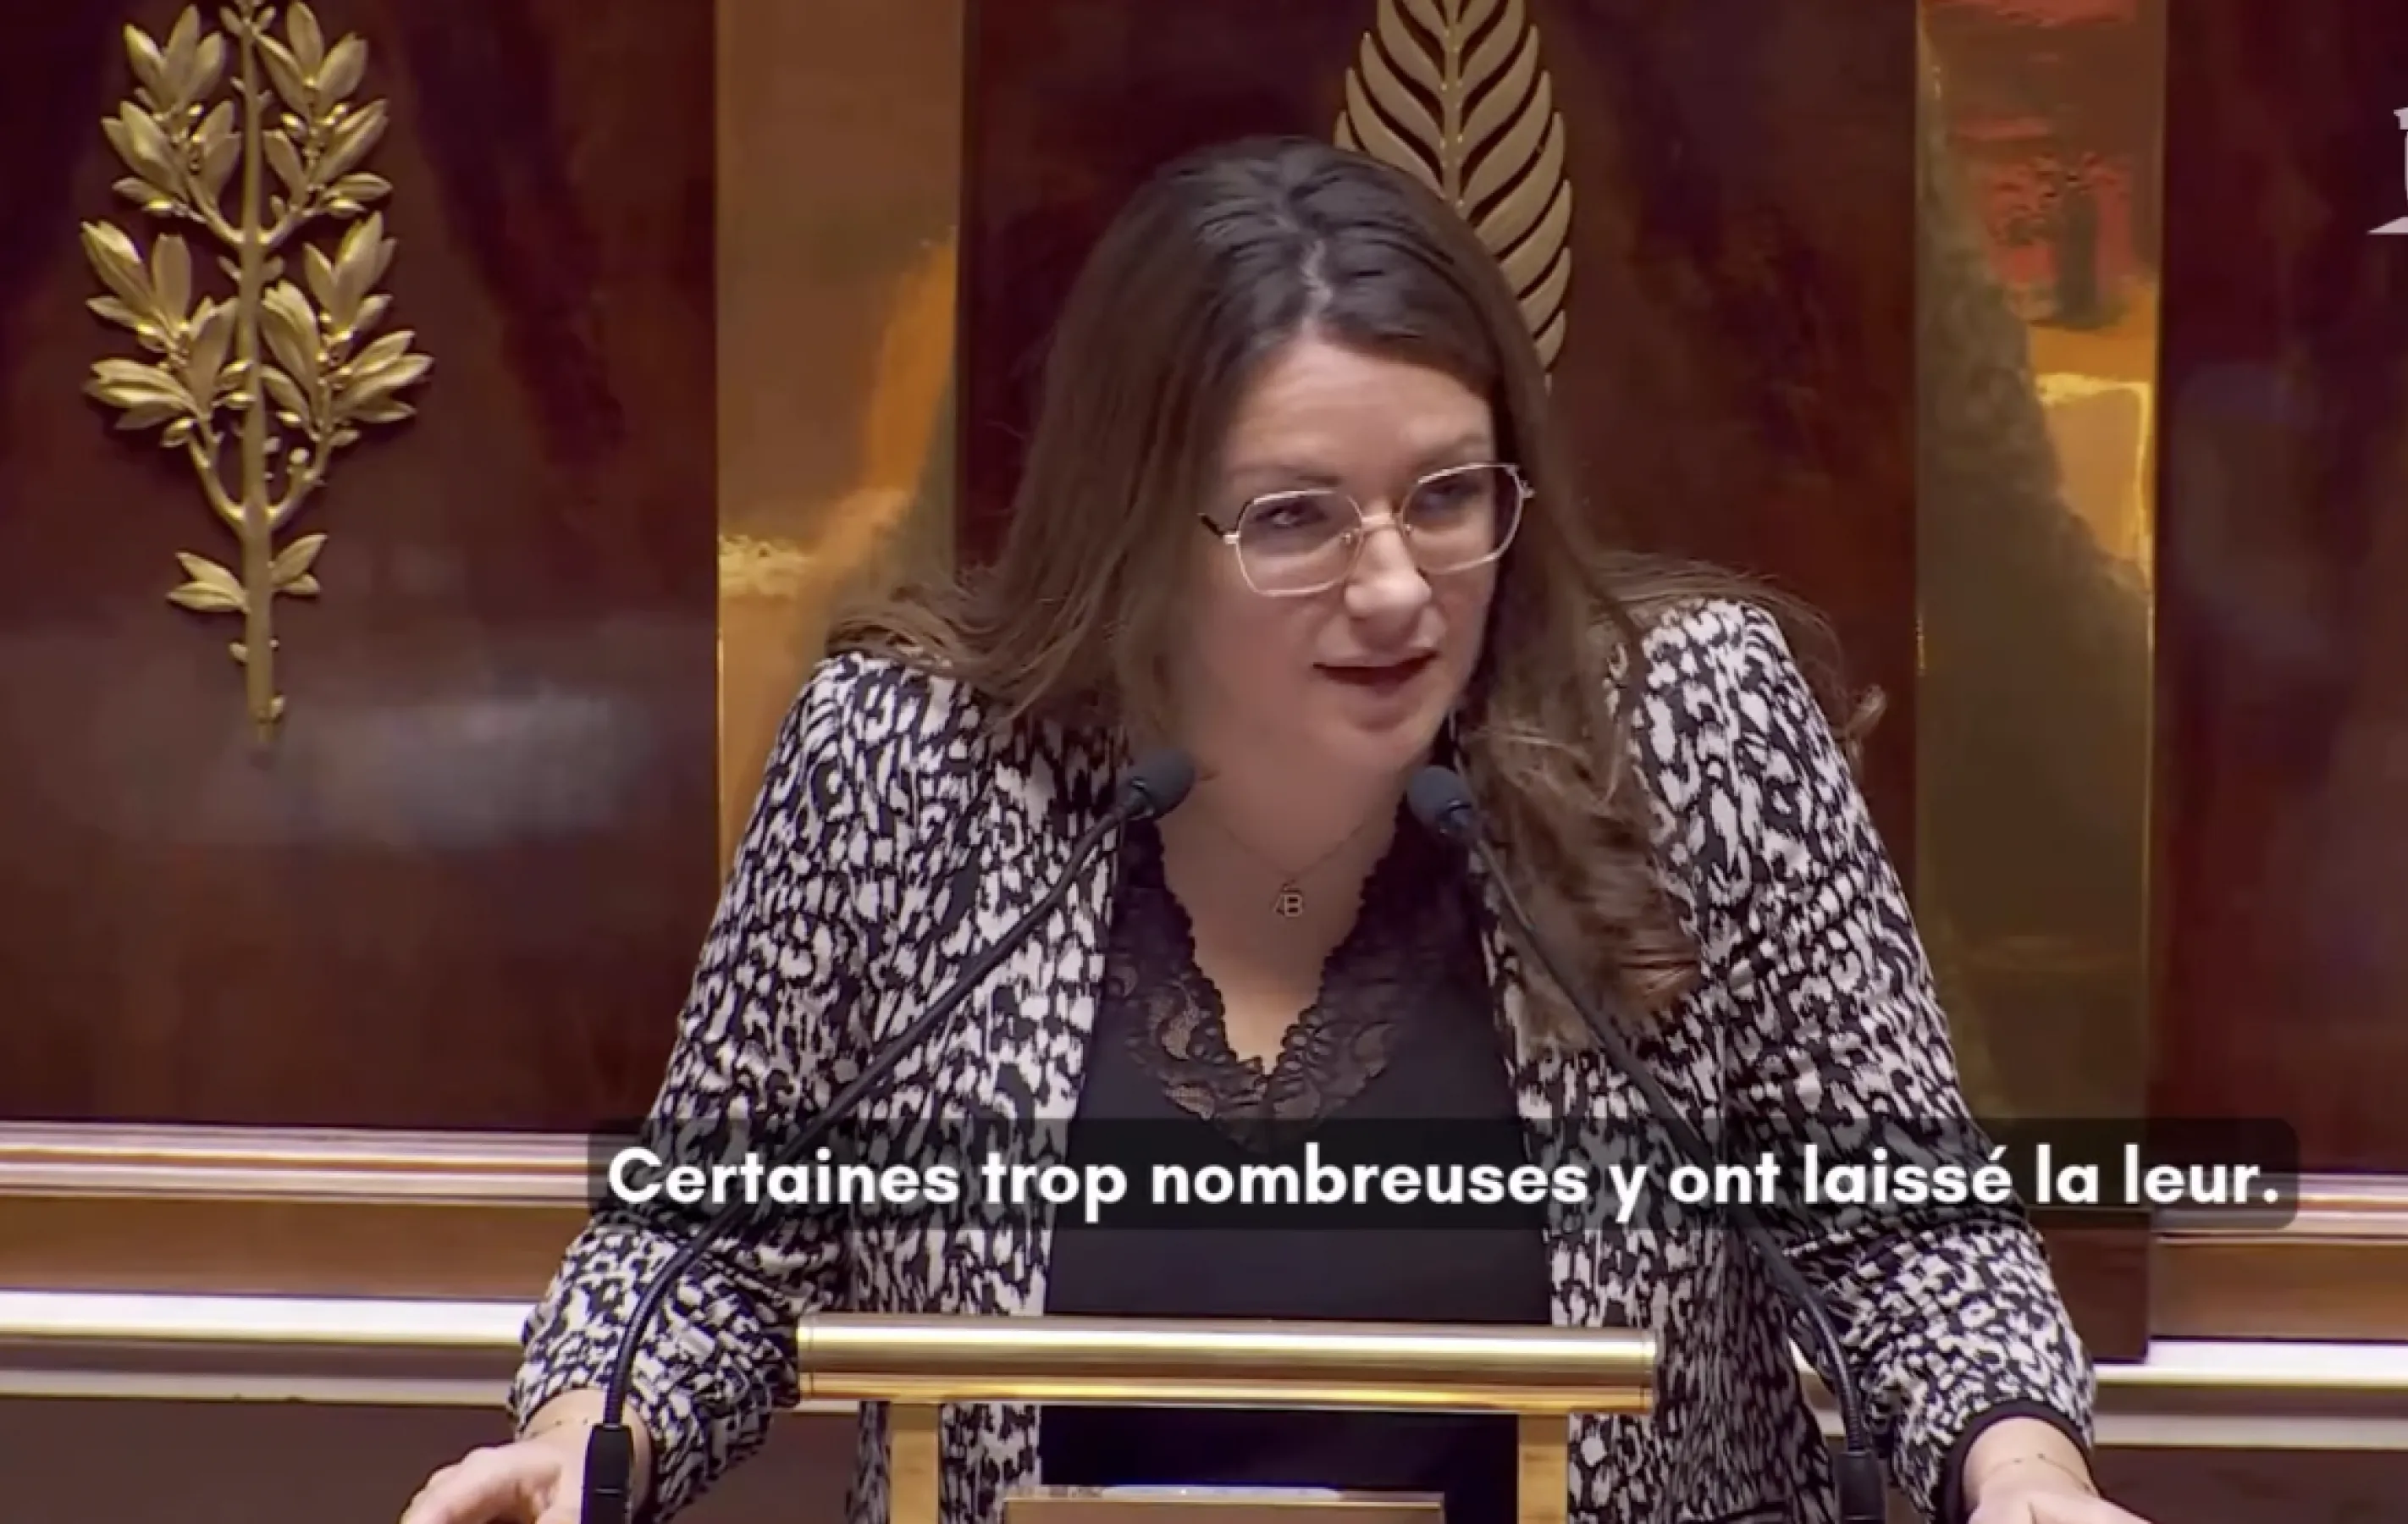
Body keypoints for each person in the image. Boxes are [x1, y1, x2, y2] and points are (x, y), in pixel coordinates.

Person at [400, 135, 2157, 1524]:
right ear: (1139, 522)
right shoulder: (909, 764)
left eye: (1447, 496)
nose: (1396, 587)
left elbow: (1901, 1229)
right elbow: (709, 1239)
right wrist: (582, 1437)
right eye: (1296, 518)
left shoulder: (1685, 726)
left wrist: (2023, 1475)